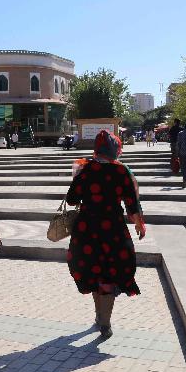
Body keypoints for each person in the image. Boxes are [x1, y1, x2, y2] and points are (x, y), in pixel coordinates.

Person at [65, 130, 146, 339]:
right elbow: (132, 203)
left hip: (87, 230)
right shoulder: (121, 172)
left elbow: (72, 200)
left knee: (94, 271)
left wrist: (78, 179)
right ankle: (106, 323)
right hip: (113, 230)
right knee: (109, 273)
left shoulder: (85, 169)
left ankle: (99, 316)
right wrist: (139, 225)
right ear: (115, 149)